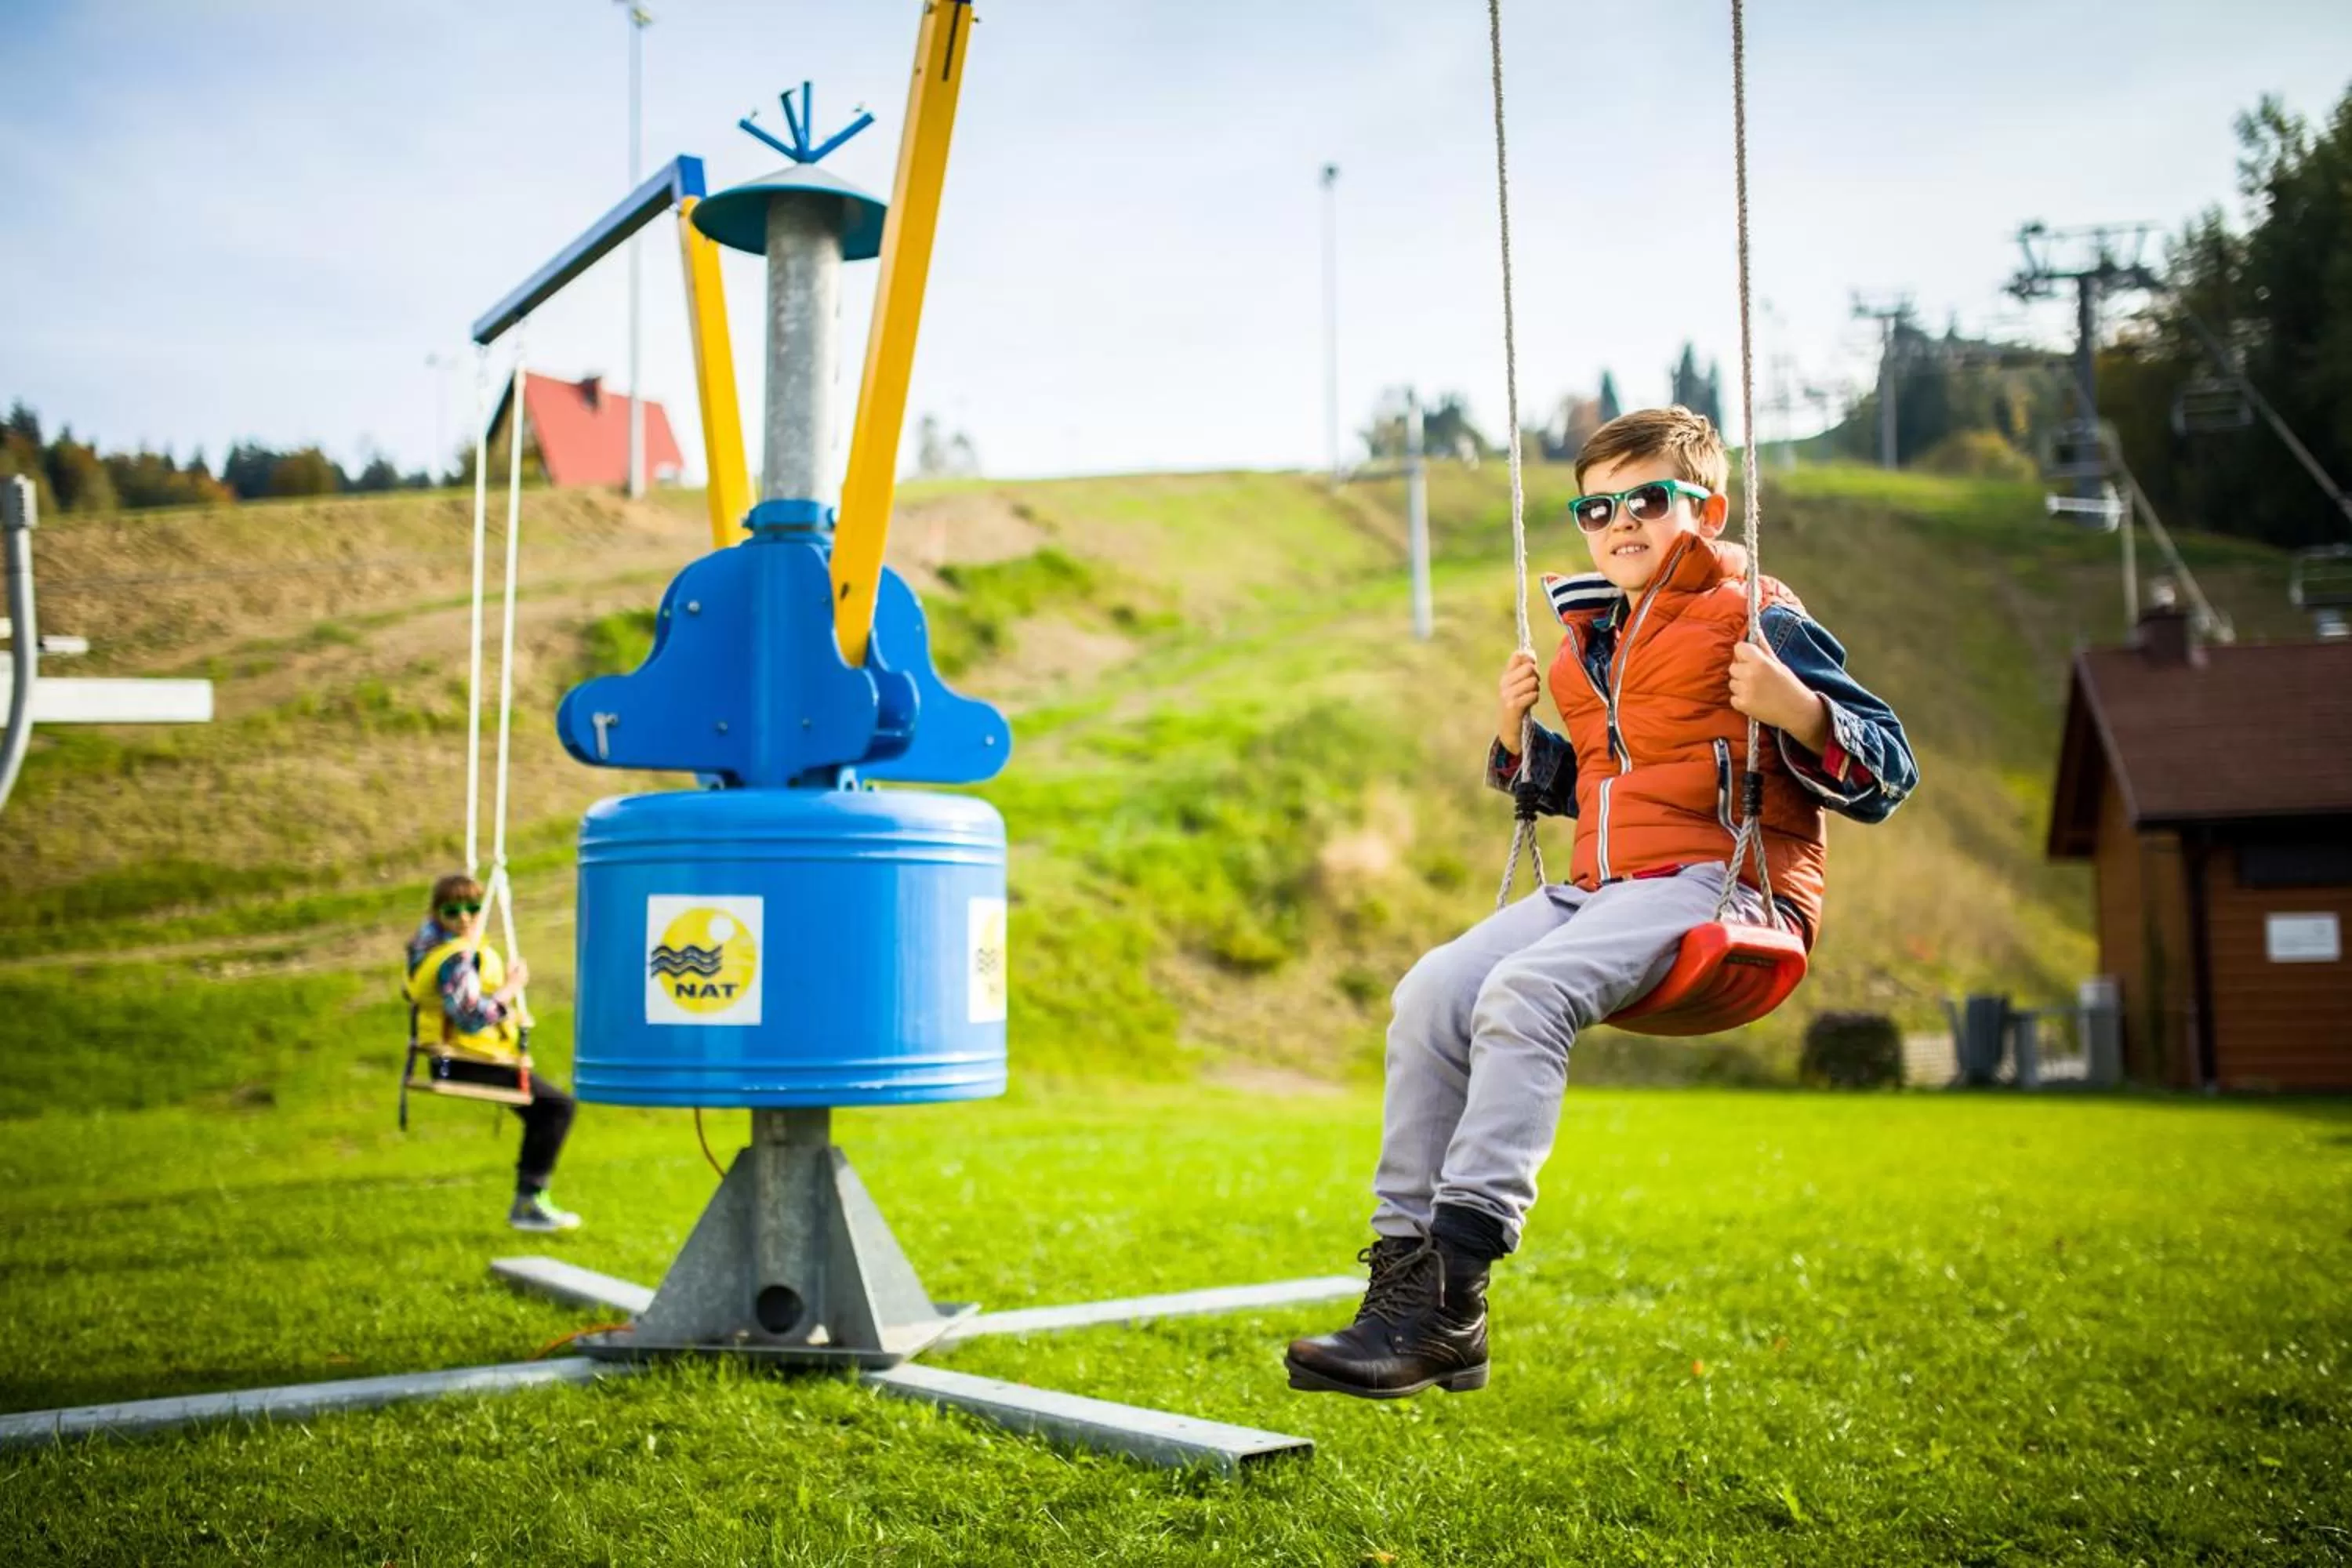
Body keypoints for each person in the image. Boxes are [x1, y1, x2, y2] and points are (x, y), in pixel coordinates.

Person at [1285, 406, 1917, 1399]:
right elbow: (1589, 790)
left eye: (1647, 500)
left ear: (1703, 509)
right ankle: (1400, 1283)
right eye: (1596, 506)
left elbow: (1890, 768)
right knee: (1431, 993)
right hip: (1605, 889)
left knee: (1525, 993)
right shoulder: (1588, 643)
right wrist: (1513, 728)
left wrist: (1794, 707)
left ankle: (1455, 1292)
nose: (1619, 522)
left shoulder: (1759, 614)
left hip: (1728, 885)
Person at [403, 873, 583, 1232]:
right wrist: (510, 990)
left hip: (463, 1058)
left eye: (473, 908)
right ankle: (530, 1203)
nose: (466, 918)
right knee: (557, 1108)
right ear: (438, 914)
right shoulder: (457, 958)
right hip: (464, 1059)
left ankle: (530, 1200)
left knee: (546, 1112)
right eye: (454, 911)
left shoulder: (434, 948)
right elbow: (469, 1018)